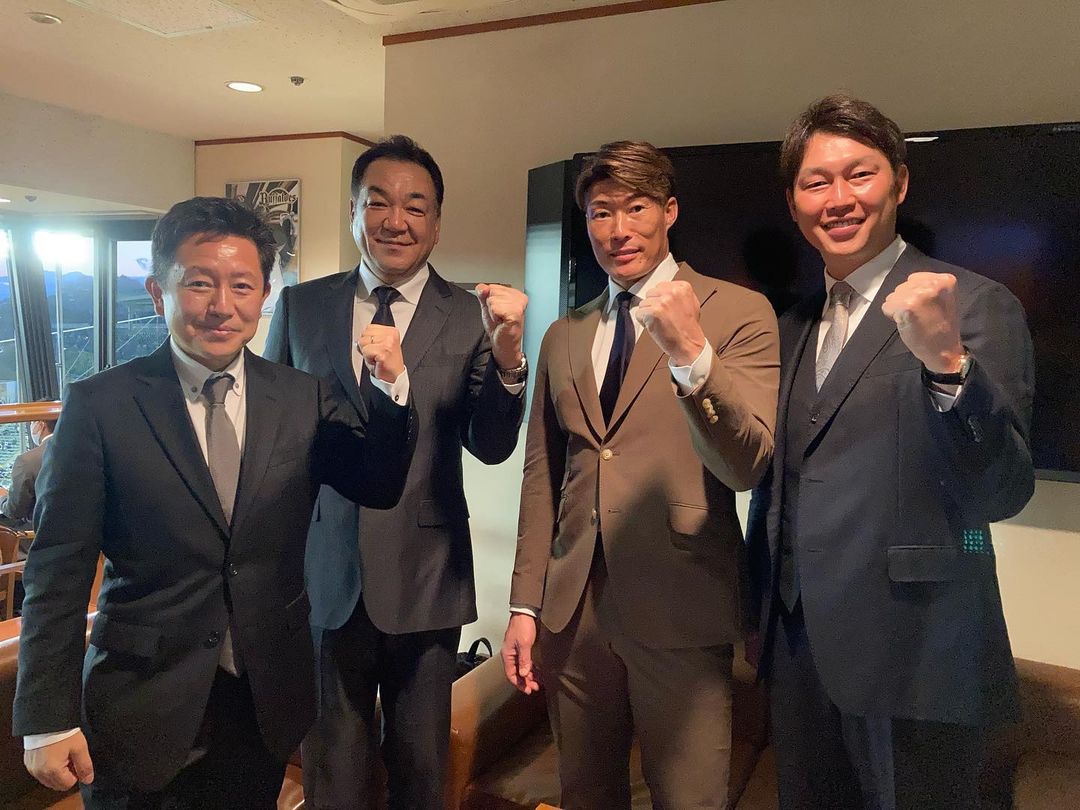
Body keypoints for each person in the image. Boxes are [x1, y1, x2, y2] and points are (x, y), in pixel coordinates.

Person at [13, 196, 416, 809]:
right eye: (199, 283)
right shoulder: (101, 406)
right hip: (140, 700)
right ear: (158, 292)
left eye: (242, 285)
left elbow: (377, 483)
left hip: (262, 699)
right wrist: (46, 717)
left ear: (265, 295)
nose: (222, 305)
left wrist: (391, 387)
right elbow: (57, 569)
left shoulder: (300, 397)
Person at [747, 94, 1035, 809]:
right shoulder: (791, 325)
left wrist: (948, 365)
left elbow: (1003, 488)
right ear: (793, 203)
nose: (838, 198)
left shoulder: (975, 304)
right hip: (796, 647)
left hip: (919, 648)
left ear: (899, 183)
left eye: (860, 174)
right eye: (816, 181)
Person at [502, 140, 779, 809]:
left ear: (669, 211)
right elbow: (543, 475)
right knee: (585, 794)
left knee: (689, 798)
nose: (618, 229)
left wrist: (691, 354)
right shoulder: (564, 334)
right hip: (573, 615)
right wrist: (524, 604)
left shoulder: (738, 313)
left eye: (636, 207)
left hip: (682, 604)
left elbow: (747, 463)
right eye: (601, 212)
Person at [264, 134, 527, 809]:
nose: (395, 220)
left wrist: (508, 360)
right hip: (324, 574)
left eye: (415, 206)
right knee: (332, 771)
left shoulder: (469, 314)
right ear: (353, 211)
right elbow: (274, 443)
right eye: (377, 202)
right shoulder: (301, 308)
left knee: (420, 769)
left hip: (427, 575)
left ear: (436, 223)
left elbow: (492, 446)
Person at [0, 416, 55, 557]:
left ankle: (9, 570)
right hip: (79, 533)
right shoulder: (81, 452)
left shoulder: (27, 460)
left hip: (39, 534)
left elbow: (14, 511)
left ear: (41, 424)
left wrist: (2, 498)